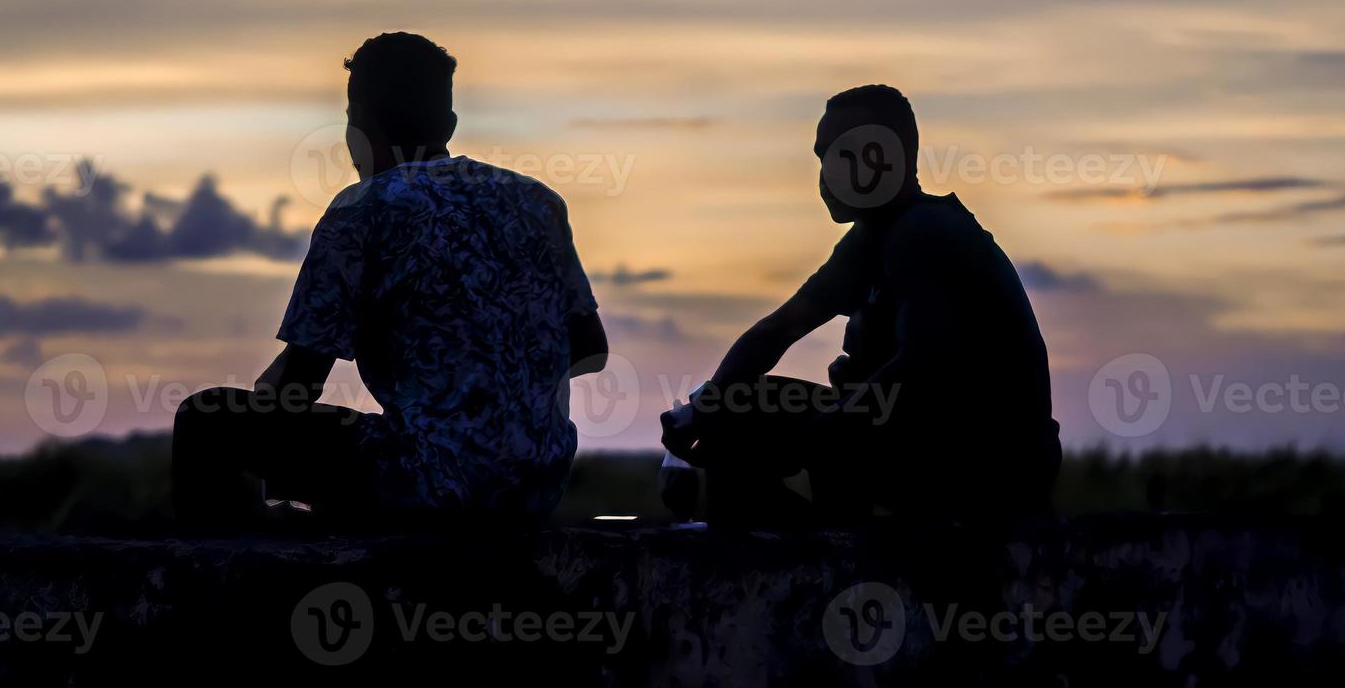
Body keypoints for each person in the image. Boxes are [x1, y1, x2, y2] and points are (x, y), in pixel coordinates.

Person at [173, 32, 606, 530]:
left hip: (425, 485)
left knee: (205, 419)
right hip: (534, 491)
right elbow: (589, 348)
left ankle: (227, 583)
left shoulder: (364, 209)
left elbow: (299, 385)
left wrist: (264, 404)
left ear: (357, 125)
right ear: (449, 123)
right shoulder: (537, 202)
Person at [661, 85, 1060, 523]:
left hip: (987, 469)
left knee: (800, 422)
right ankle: (814, 554)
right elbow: (776, 331)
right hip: (921, 445)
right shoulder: (871, 239)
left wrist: (811, 434)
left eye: (838, 155)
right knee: (734, 405)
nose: (824, 174)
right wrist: (705, 407)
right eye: (821, 158)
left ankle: (824, 558)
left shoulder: (926, 232)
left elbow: (917, 371)